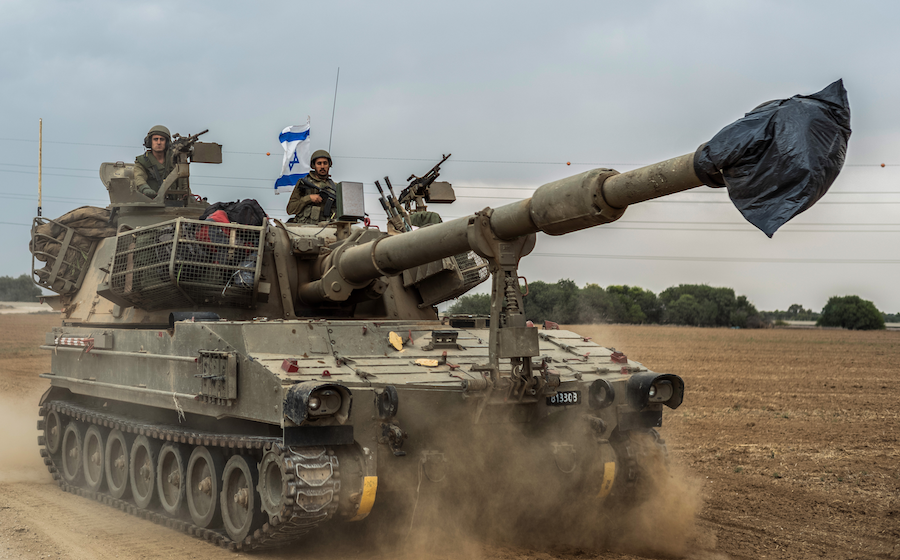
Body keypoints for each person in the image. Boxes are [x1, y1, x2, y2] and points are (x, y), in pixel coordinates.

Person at [286, 150, 338, 224]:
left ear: (329, 165)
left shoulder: (334, 187)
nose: (322, 166)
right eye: (319, 163)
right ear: (313, 166)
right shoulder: (304, 183)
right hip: (305, 227)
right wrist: (308, 198)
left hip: (327, 227)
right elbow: (290, 209)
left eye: (325, 163)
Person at [134, 125, 175, 199]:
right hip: (149, 202)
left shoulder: (174, 160)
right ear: (150, 142)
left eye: (162, 139)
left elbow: (183, 180)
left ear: (166, 143)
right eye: (155, 139)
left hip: (174, 202)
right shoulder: (142, 161)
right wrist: (145, 188)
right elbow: (139, 177)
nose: (159, 142)